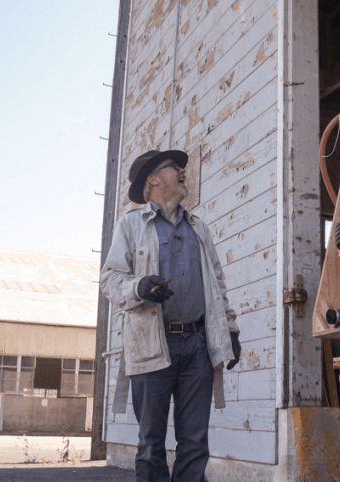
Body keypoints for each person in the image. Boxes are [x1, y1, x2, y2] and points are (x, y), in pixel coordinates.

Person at [100, 149, 241, 481]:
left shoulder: (199, 228)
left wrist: (230, 330)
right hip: (151, 344)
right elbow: (110, 279)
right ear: (154, 179)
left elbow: (217, 284)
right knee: (151, 443)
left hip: (197, 344)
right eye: (174, 167)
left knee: (195, 442)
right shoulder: (131, 225)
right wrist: (140, 287)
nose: (182, 171)